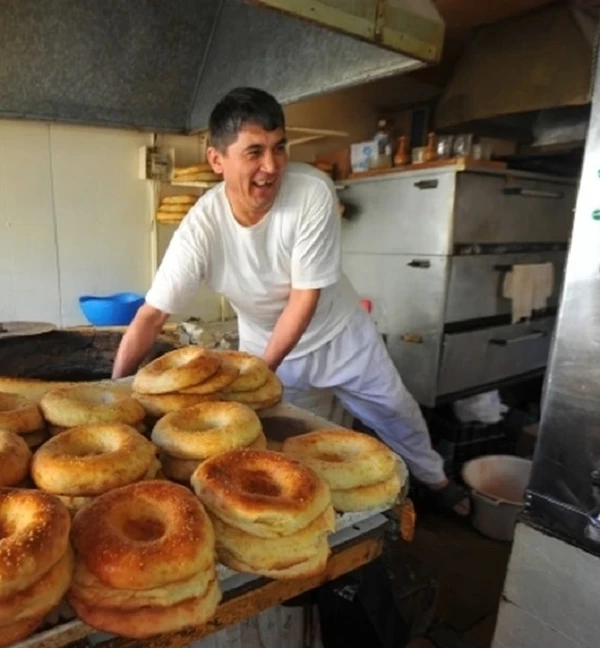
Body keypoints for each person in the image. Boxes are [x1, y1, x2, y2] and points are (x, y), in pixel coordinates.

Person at [112, 87, 468, 515]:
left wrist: (259, 374)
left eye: (279, 148)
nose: (271, 167)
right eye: (255, 152)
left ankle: (435, 479)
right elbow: (151, 316)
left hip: (340, 335)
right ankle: (328, 516)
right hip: (269, 344)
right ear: (217, 160)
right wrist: (116, 394)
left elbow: (305, 298)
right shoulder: (201, 226)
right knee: (294, 442)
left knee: (397, 411)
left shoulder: (311, 193)